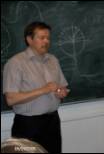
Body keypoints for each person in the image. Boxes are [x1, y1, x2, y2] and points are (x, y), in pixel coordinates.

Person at [3, 21, 69, 153]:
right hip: (28, 125)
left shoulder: (53, 60)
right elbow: (11, 99)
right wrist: (43, 90)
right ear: (29, 39)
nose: (46, 41)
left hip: (52, 121)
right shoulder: (16, 63)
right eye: (41, 38)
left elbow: (63, 87)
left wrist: (62, 92)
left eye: (48, 38)